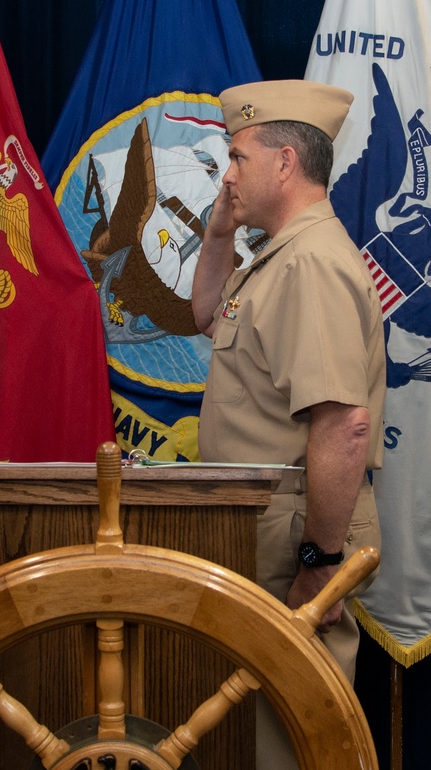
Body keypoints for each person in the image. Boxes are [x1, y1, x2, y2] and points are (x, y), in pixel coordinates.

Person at [193, 79, 386, 769]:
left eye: (239, 157)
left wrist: (320, 563)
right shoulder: (277, 256)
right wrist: (220, 229)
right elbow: (205, 310)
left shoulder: (309, 263)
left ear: (284, 164)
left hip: (296, 537)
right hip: (269, 530)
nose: (229, 173)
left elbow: (344, 426)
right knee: (261, 734)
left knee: (290, 743)